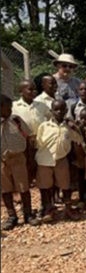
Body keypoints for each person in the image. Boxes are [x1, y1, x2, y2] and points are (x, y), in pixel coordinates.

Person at [35, 100, 83, 223]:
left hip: (61, 159)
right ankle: (48, 209)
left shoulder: (68, 127)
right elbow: (38, 143)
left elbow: (79, 139)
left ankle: (68, 208)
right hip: (44, 160)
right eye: (56, 109)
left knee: (65, 185)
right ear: (51, 111)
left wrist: (75, 127)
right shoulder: (44, 126)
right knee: (46, 187)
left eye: (62, 109)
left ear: (66, 111)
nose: (59, 112)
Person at [1, 95, 35, 230]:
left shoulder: (16, 120)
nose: (9, 110)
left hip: (18, 159)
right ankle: (11, 216)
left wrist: (30, 159)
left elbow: (29, 138)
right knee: (5, 189)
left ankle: (28, 214)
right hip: (1, 161)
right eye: (6, 108)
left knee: (24, 187)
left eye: (10, 107)